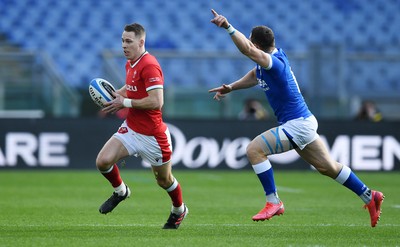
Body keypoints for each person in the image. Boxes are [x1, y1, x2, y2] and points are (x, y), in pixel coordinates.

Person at [208, 9, 384, 227]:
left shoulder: (274, 62)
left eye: (251, 42)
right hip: (303, 122)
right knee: (327, 167)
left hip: (298, 124)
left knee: (254, 150)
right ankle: (370, 195)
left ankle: (273, 202)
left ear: (255, 44)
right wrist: (231, 87)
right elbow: (254, 75)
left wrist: (228, 27)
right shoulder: (266, 64)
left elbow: (246, 50)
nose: (249, 45)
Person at [97, 23, 188, 229]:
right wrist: (116, 96)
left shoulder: (150, 65)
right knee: (103, 161)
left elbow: (157, 101)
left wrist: (124, 102)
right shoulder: (130, 63)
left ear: (141, 42)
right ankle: (121, 191)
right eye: (122, 41)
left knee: (164, 181)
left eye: (128, 41)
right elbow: (130, 89)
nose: (124, 45)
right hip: (131, 128)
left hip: (153, 136)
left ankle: (179, 210)